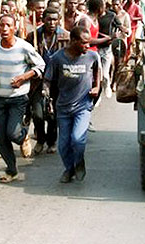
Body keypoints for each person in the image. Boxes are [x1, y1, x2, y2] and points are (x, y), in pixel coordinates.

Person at [0, 14, 45, 183]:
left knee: (13, 133)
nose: (4, 29)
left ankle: (23, 137)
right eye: (1, 25)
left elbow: (40, 66)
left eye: (8, 25)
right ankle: (11, 169)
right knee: (1, 138)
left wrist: (24, 77)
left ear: (15, 27)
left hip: (17, 98)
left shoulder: (24, 47)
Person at [44, 26, 101, 183]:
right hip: (63, 107)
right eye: (84, 43)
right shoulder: (57, 58)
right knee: (63, 144)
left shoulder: (92, 56)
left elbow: (98, 73)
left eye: (89, 42)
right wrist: (46, 95)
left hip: (83, 106)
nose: (87, 46)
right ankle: (69, 169)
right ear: (74, 41)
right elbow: (48, 80)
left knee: (77, 139)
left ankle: (79, 161)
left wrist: (96, 86)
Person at [26, 8, 69, 155]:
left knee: (53, 114)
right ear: (43, 19)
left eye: (54, 20)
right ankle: (40, 139)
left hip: (58, 81)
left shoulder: (65, 36)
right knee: (37, 113)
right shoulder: (33, 36)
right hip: (38, 80)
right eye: (49, 19)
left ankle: (51, 141)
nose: (51, 23)